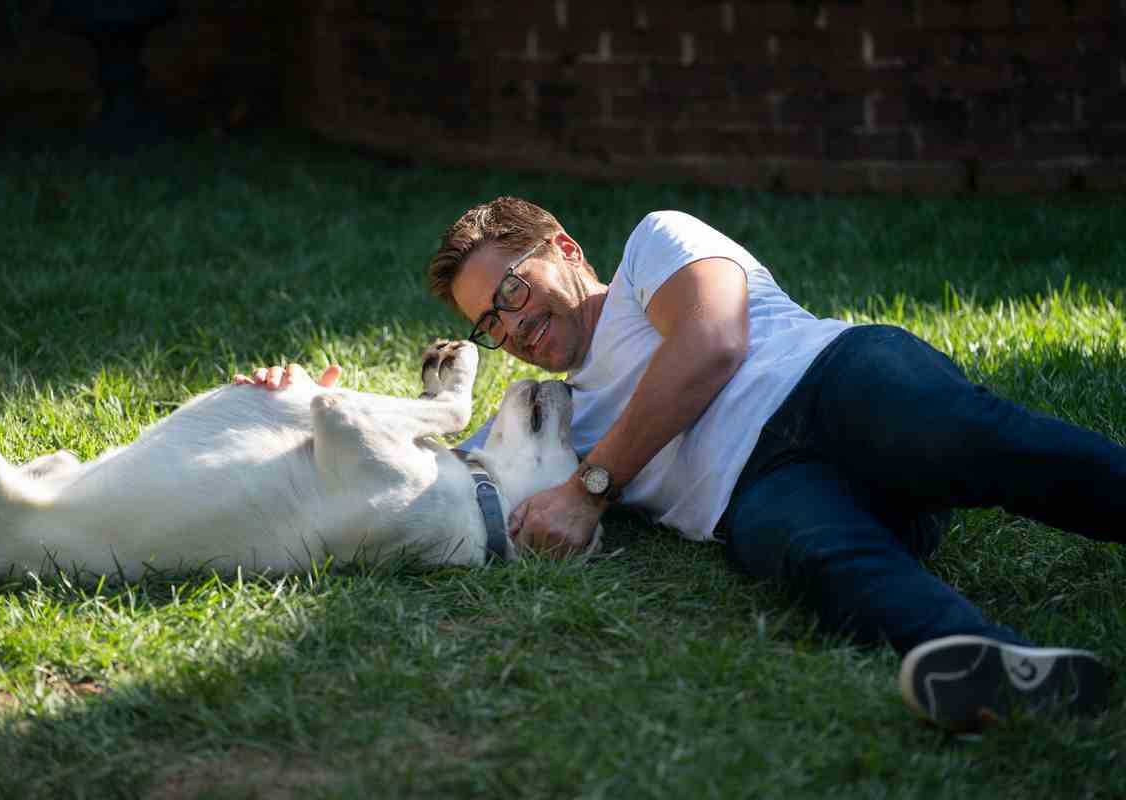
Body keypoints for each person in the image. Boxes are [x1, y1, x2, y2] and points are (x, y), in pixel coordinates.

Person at [416, 195, 1122, 732]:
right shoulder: (558, 419)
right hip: (760, 492)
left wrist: (591, 486)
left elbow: (713, 340)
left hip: (833, 385)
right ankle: (999, 669)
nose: (511, 327)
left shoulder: (654, 246)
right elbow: (450, 479)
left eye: (510, 291)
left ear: (564, 248)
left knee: (981, 442)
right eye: (488, 323)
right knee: (816, 554)